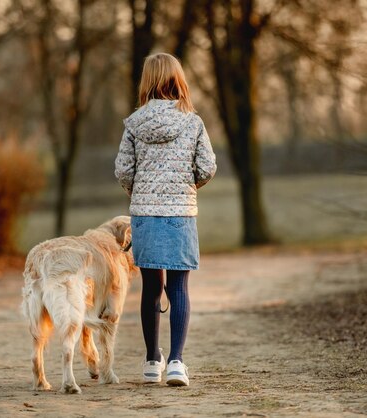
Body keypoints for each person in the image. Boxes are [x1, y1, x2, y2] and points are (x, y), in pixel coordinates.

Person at [114, 52, 217, 387]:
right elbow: (207, 167)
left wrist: (139, 193)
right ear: (179, 79)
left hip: (145, 215)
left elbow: (123, 170)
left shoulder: (134, 123)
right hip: (180, 214)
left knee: (150, 288)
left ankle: (150, 361)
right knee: (178, 287)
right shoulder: (193, 122)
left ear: (147, 80)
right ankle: (176, 362)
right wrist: (189, 186)